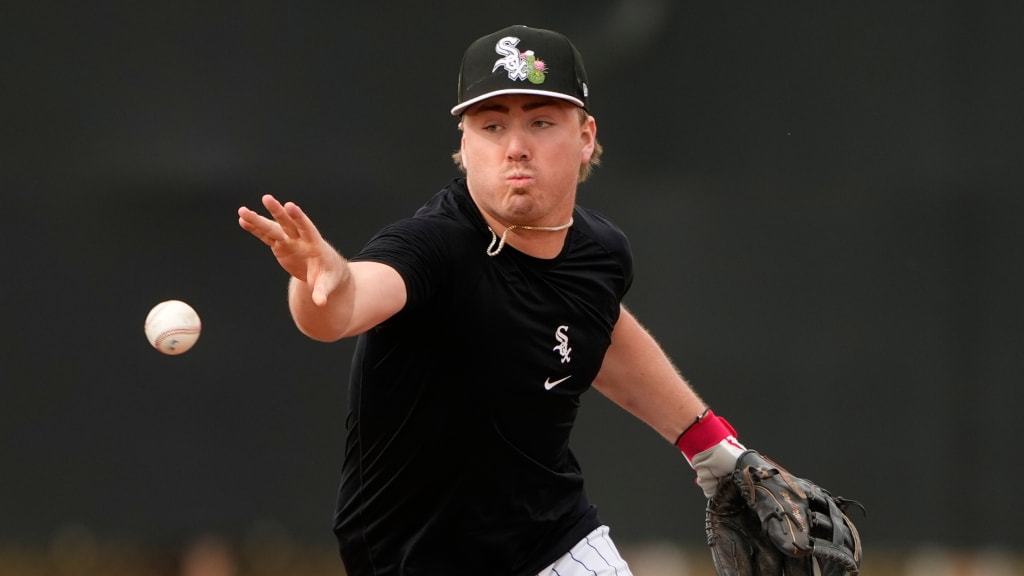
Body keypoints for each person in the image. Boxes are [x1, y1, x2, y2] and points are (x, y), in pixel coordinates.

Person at [239, 24, 750, 576]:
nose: (515, 146)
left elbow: (599, 329)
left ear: (585, 136)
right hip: (414, 558)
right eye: (491, 125)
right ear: (464, 144)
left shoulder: (600, 253)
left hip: (554, 540)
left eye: (540, 121)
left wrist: (708, 443)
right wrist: (323, 278)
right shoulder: (433, 247)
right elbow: (341, 306)